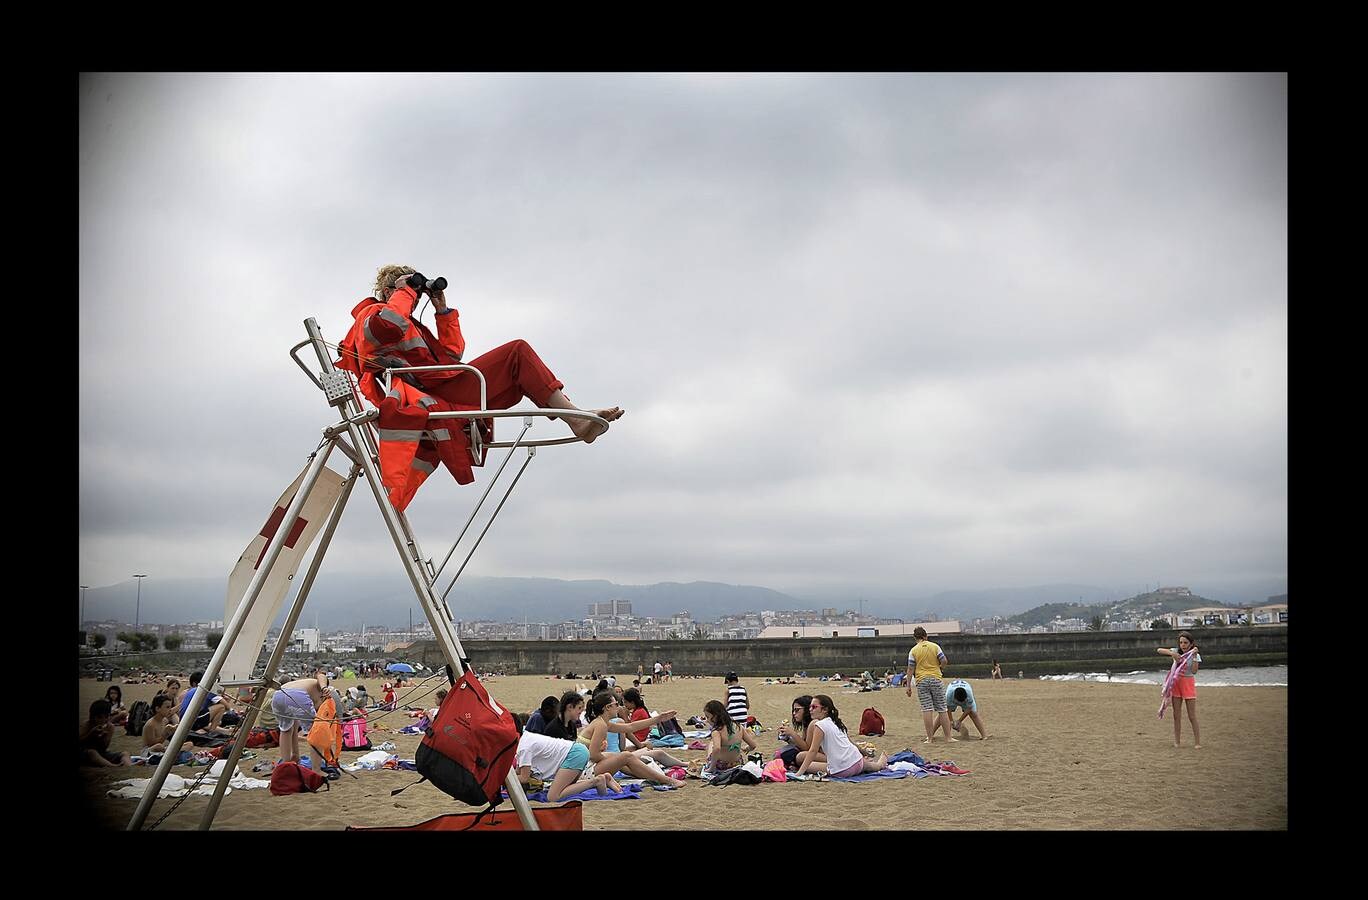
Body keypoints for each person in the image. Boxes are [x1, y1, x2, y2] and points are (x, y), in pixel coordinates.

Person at [336, 265, 624, 502]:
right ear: (391, 291)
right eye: (411, 290)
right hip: (431, 393)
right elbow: (386, 328)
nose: (416, 297)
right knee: (517, 352)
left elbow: (451, 356)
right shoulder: (373, 314)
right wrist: (403, 292)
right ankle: (575, 419)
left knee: (518, 362)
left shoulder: (407, 321)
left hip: (443, 384)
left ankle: (574, 416)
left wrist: (442, 312)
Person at [513, 715, 664, 802]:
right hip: (576, 753)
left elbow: (524, 777)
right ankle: (603, 778)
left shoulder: (524, 746)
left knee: (553, 796)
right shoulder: (526, 738)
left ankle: (596, 781)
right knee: (566, 788)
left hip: (576, 755)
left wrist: (503, 779)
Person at [578, 692, 686, 787]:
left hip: (583, 768)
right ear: (607, 707)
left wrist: (658, 719)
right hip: (585, 771)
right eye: (616, 704)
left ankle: (660, 778)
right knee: (625, 756)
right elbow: (593, 755)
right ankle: (667, 780)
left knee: (625, 758)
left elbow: (631, 727)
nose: (619, 707)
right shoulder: (600, 725)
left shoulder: (602, 723)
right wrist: (614, 758)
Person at [793, 695, 887, 778]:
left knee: (805, 764)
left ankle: (877, 764)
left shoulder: (819, 725)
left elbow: (812, 750)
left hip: (841, 770)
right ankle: (879, 764)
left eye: (814, 707)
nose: (810, 710)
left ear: (825, 710)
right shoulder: (835, 723)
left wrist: (799, 772)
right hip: (857, 761)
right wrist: (864, 753)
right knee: (872, 766)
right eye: (810, 707)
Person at [905, 627, 958, 744]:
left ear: (915, 638)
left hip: (921, 680)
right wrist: (939, 668)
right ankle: (948, 737)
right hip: (935, 678)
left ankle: (929, 738)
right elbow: (944, 661)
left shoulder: (913, 651)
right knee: (942, 709)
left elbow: (910, 669)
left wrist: (908, 686)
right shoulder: (935, 646)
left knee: (927, 709)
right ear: (926, 636)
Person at [271, 669, 330, 763]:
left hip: (278, 695)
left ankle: (288, 762)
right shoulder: (318, 686)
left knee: (286, 729)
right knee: (315, 732)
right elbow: (321, 675)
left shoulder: (304, 683)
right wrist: (324, 688)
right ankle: (316, 769)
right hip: (297, 695)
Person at [1159, 632, 1202, 749]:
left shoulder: (1194, 655)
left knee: (1192, 716)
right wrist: (1172, 653)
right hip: (1176, 683)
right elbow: (1159, 650)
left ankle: (1197, 742)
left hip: (1188, 683)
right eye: (1181, 642)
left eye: (1185, 643)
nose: (1183, 645)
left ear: (1191, 643)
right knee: (1176, 715)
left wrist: (1193, 656)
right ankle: (1177, 742)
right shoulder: (1176, 651)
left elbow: (1194, 671)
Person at [701, 699, 757, 776]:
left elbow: (717, 748)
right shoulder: (738, 726)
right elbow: (753, 745)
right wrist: (747, 748)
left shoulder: (717, 731)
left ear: (716, 716)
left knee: (712, 743)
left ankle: (710, 762)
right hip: (737, 763)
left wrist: (711, 768)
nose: (707, 720)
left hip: (722, 766)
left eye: (708, 717)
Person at [79, 700, 130, 767]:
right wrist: (91, 734)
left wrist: (103, 736)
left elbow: (104, 747)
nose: (103, 720)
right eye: (99, 717)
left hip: (101, 754)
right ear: (93, 716)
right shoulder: (87, 725)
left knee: (125, 753)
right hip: (85, 754)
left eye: (106, 717)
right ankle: (113, 766)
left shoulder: (110, 727)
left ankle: (127, 766)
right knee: (92, 752)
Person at [776, 695, 814, 769]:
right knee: (781, 753)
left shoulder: (813, 724)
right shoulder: (806, 725)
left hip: (824, 756)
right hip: (814, 755)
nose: (794, 713)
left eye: (797, 710)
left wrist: (792, 733)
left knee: (798, 756)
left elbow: (807, 748)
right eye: (793, 710)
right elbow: (802, 744)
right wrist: (788, 739)